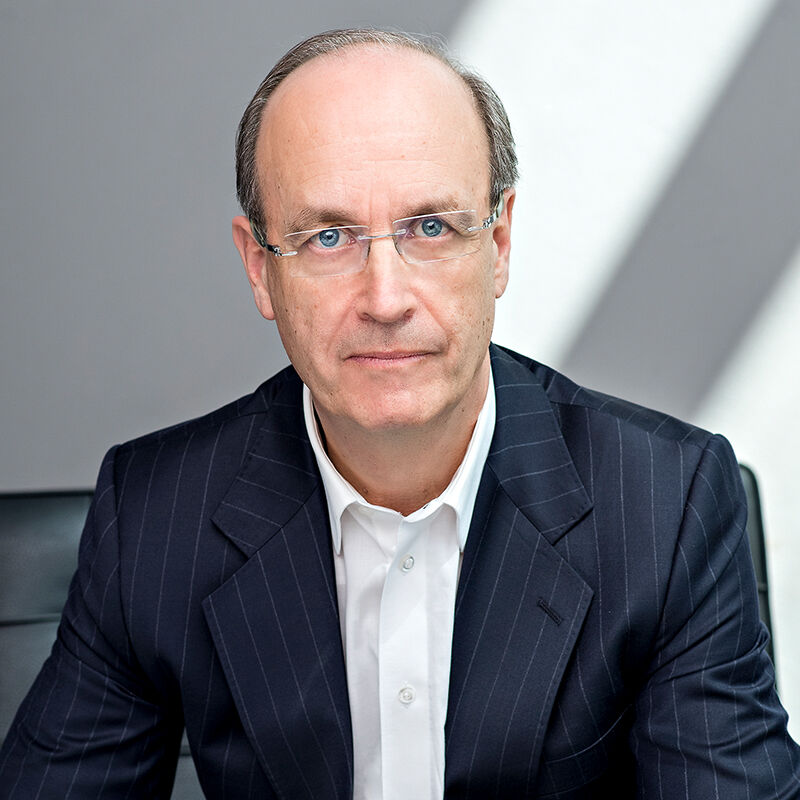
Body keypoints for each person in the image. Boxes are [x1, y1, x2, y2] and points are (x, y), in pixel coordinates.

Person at [1, 27, 798, 800]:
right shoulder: (155, 519)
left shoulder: (665, 502)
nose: (385, 300)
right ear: (259, 267)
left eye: (431, 227)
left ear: (500, 245)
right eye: (328, 237)